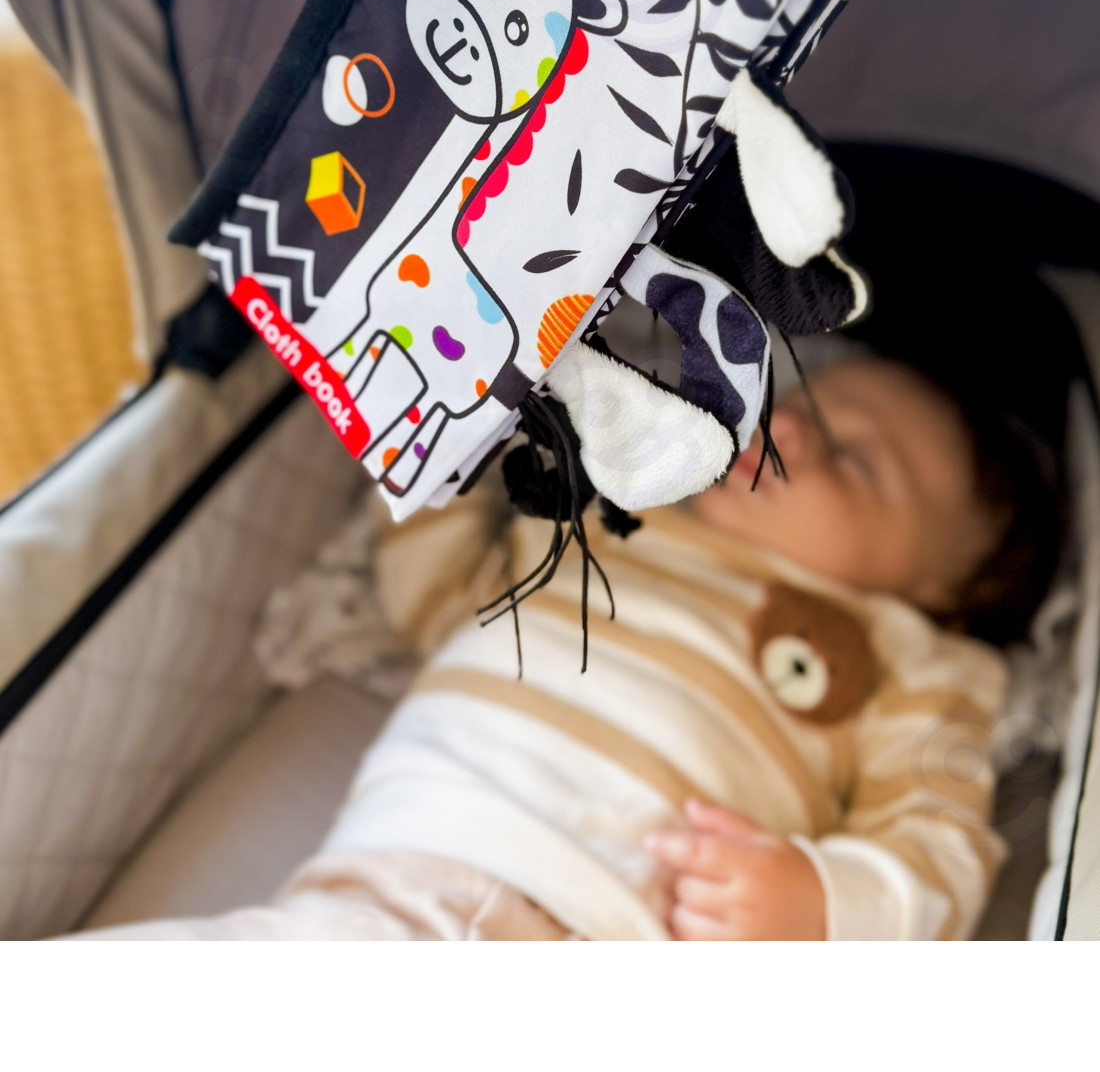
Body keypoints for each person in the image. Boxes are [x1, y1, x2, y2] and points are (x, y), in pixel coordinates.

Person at [73, 356, 1059, 942]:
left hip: (616, 925)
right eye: (796, 397)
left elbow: (937, 843)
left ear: (941, 595)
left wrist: (822, 903)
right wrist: (434, 429)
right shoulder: (603, 518)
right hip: (415, 876)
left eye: (850, 457)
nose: (788, 424)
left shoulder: (915, 664)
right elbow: (441, 594)